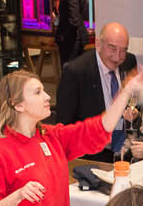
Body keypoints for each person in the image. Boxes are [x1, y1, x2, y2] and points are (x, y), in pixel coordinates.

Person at [0, 66, 143, 206]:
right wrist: (18, 195)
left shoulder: (52, 136)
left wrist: (127, 91)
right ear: (18, 104)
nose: (47, 96)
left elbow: (100, 128)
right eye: (37, 93)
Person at [54, 20, 138, 162]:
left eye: (123, 50)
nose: (118, 57)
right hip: (93, 155)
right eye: (112, 48)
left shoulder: (129, 61)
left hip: (126, 150)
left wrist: (134, 112)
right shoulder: (76, 71)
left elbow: (135, 100)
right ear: (98, 44)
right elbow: (64, 126)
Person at [52, 0, 88, 64]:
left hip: (72, 43)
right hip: (77, 39)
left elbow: (73, 20)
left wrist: (62, 36)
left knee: (70, 73)